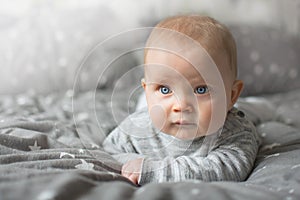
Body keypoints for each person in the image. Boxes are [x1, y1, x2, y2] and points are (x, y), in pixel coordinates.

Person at [102, 15, 261, 185]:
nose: (181, 105)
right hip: (148, 110)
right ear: (147, 90)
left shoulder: (236, 132)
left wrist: (153, 169)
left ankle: (259, 106)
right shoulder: (137, 127)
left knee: (256, 111)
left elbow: (227, 169)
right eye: (164, 89)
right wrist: (135, 164)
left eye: (200, 90)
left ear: (232, 95)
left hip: (239, 111)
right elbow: (110, 150)